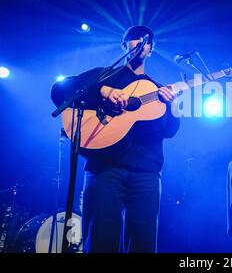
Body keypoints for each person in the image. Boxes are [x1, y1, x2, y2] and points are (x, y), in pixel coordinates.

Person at [50, 25, 180, 253]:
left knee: (144, 243)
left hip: (146, 172)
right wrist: (104, 91)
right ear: (124, 45)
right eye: (135, 38)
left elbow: (168, 131)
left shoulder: (158, 90)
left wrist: (174, 107)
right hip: (105, 168)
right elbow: (60, 89)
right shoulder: (105, 75)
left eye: (147, 41)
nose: (142, 42)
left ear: (151, 50)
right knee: (102, 240)